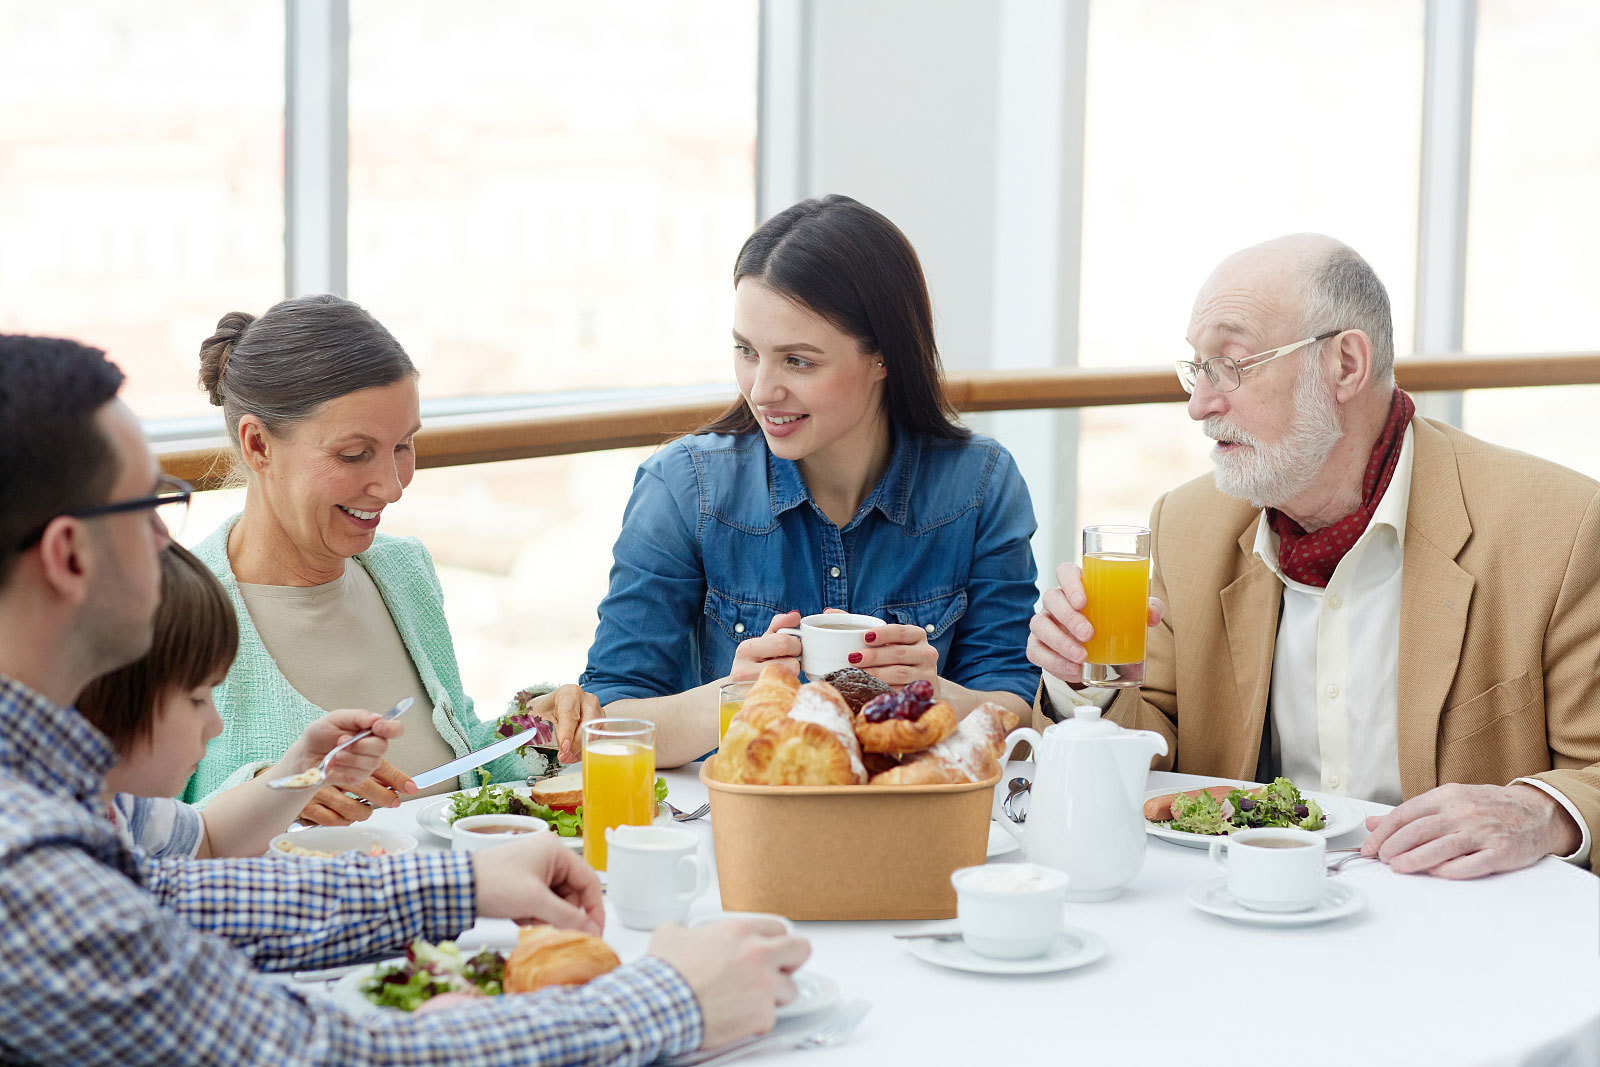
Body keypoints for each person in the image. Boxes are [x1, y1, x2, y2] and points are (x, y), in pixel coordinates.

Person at [0, 333, 810, 1066]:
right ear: (70, 555)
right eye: (148, 506)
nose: (164, 539)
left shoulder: (56, 800)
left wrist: (462, 885)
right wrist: (675, 997)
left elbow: (185, 889)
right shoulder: (27, 868)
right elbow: (329, 1052)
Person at [1027, 234, 1599, 878]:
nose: (1199, 405)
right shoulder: (1189, 525)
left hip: (1457, 925)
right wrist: (1087, 680)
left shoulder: (1559, 529)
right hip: (1247, 907)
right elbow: (1157, 747)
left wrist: (1541, 812)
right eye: (1197, 368)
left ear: (1346, 365)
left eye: (1231, 364)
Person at [581, 195, 1040, 766]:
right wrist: (734, 697)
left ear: (883, 357)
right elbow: (608, 719)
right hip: (744, 832)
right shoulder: (684, 486)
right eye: (746, 351)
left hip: (918, 826)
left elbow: (1018, 712)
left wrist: (935, 694)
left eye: (798, 361)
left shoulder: (979, 485)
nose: (761, 389)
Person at [184, 295, 600, 822]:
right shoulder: (172, 612)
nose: (392, 486)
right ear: (258, 446)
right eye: (354, 454)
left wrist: (538, 733)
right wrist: (263, 796)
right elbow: (131, 831)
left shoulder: (403, 572)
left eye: (403, 445)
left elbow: (456, 762)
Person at [77, 542, 407, 858]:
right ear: (104, 701)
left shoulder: (121, 805)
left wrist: (303, 764)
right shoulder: (60, 843)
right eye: (196, 699)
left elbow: (209, 842)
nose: (216, 726)